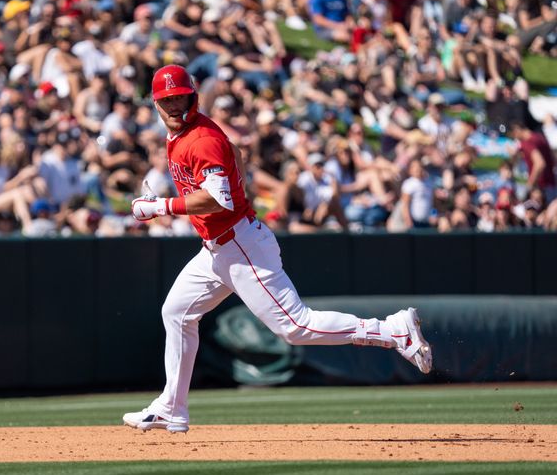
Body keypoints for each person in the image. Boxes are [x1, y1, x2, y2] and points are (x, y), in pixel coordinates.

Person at [123, 65, 433, 433]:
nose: (174, 106)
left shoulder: (200, 138)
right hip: (217, 249)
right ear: (156, 104)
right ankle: (171, 407)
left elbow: (219, 200)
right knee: (176, 312)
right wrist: (237, 186)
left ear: (192, 97)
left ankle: (391, 330)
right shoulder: (189, 134)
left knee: (296, 326)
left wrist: (160, 207)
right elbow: (236, 154)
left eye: (179, 98)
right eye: (166, 100)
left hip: (238, 244)